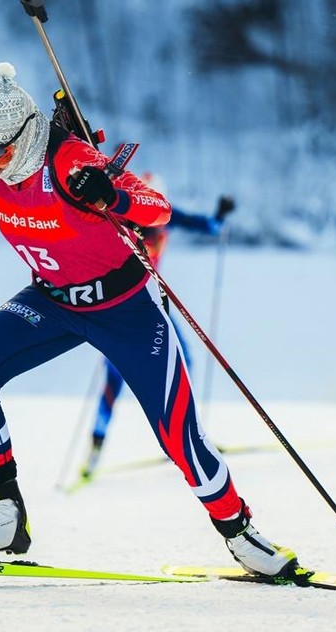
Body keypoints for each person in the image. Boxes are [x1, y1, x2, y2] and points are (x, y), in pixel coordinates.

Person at [0, 59, 306, 581]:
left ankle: (239, 533)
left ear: (26, 133)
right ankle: (6, 514)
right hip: (52, 301)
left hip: (124, 310)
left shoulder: (67, 158)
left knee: (177, 434)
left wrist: (111, 194)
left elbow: (158, 208)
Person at [80, 180, 236, 479]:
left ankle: (187, 439)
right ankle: (95, 449)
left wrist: (219, 215)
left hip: (153, 303)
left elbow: (208, 227)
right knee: (115, 378)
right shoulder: (118, 214)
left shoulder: (161, 213)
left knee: (182, 364)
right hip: (121, 306)